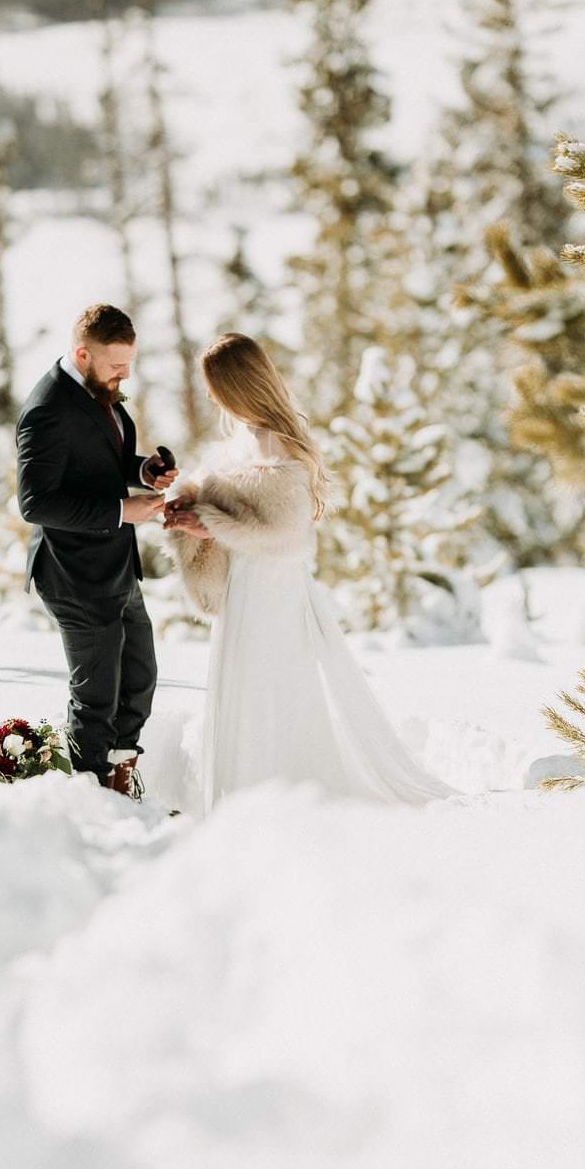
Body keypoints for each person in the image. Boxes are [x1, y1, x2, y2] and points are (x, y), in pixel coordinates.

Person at [164, 332, 456, 811]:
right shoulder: (245, 437)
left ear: (237, 385)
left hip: (269, 590)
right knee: (246, 687)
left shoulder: (277, 442)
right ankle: (248, 795)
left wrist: (212, 523)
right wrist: (191, 506)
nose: (211, 397)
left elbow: (283, 528)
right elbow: (231, 502)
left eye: (215, 387)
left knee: (269, 687)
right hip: (245, 586)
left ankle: (277, 792)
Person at [16, 303, 177, 798]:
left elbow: (99, 462)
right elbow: (36, 502)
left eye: (129, 364)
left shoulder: (98, 390)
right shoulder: (47, 409)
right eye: (116, 365)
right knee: (96, 698)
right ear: (83, 354)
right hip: (74, 575)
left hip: (117, 568)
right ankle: (93, 798)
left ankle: (121, 777)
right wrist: (122, 510)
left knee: (139, 679)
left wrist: (143, 470)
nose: (124, 374)